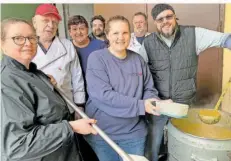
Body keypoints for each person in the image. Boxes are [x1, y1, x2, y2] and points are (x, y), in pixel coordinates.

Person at [142, 4, 231, 161]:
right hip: (159, 105)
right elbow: (140, 73)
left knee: (184, 146)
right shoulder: (148, 43)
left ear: (175, 17)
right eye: (160, 19)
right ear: (155, 22)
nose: (165, 21)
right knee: (153, 148)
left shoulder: (193, 34)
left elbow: (224, 39)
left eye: (169, 17)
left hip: (185, 105)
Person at [1, 18, 97, 161]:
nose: (28, 43)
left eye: (32, 38)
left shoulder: (33, 73)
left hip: (65, 151)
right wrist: (71, 128)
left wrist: (45, 83)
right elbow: (18, 146)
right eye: (18, 38)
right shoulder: (7, 82)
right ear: (2, 44)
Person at [84, 15, 170, 161]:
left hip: (133, 133)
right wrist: (142, 105)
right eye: (115, 33)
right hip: (103, 133)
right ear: (107, 35)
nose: (120, 37)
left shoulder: (137, 59)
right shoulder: (97, 58)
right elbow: (103, 95)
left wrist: (154, 102)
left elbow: (148, 88)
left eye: (124, 33)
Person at [32, 4, 85, 114]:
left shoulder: (67, 45)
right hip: (36, 108)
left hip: (65, 105)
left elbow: (77, 77)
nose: (51, 26)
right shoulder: (26, 45)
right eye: (46, 20)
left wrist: (79, 106)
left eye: (55, 22)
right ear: (34, 22)